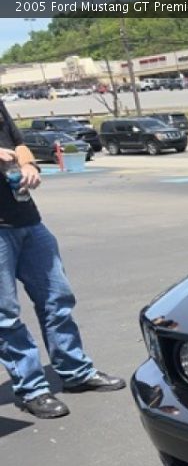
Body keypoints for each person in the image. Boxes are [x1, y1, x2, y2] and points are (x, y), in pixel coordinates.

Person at [0, 101, 125, 419]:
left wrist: (29, 166)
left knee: (57, 297)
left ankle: (75, 372)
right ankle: (33, 389)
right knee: (6, 316)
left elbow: (19, 143)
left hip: (26, 217)